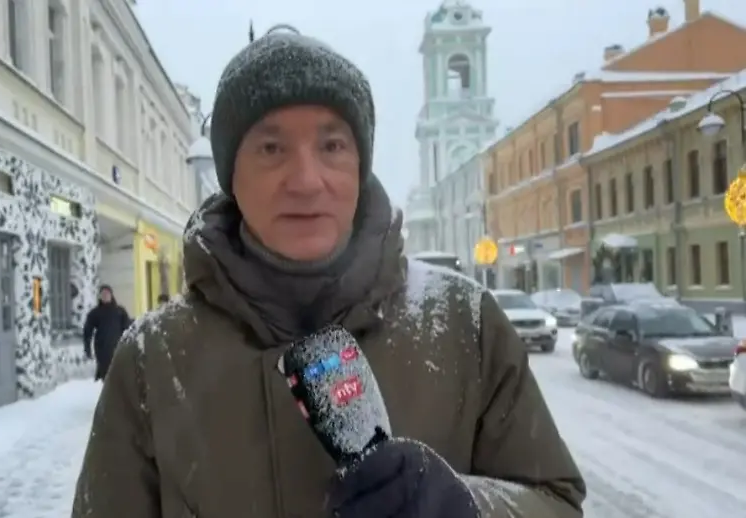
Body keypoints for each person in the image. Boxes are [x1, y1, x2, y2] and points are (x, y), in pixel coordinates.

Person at [73, 31, 585, 518]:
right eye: (271, 149)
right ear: (230, 176)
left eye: (332, 146)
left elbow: (557, 501)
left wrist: (465, 506)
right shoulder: (154, 357)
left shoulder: (465, 324)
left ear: (360, 165)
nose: (305, 180)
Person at [82, 284, 132, 381]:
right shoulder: (95, 313)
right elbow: (87, 331)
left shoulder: (120, 311)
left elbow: (128, 329)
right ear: (100, 297)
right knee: (106, 374)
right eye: (102, 294)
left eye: (107, 294)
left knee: (119, 373)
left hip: (118, 347)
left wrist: (129, 346)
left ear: (111, 295)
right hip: (102, 349)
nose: (105, 296)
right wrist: (87, 349)